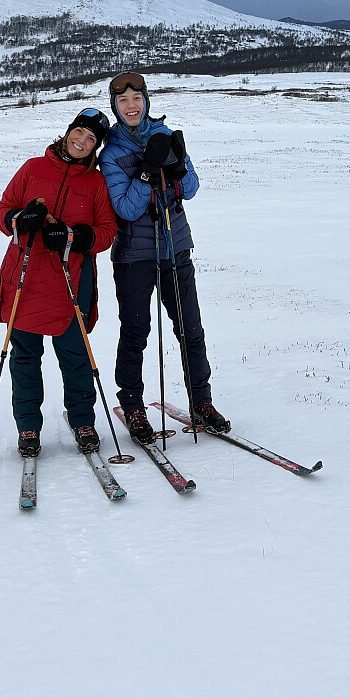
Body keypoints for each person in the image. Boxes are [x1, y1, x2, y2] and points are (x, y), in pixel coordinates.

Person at [99, 71, 230, 446]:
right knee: (136, 332)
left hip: (176, 248)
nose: (131, 106)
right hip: (134, 257)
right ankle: (133, 406)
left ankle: (202, 403)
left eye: (136, 98)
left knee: (191, 329)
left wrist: (178, 164)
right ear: (116, 107)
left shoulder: (164, 135)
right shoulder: (111, 154)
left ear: (146, 101)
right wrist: (145, 174)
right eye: (123, 101)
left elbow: (191, 189)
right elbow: (125, 209)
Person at [0, 108, 117, 458]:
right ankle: (28, 426)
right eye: (79, 132)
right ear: (68, 131)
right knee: (25, 354)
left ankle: (83, 421)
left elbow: (107, 231)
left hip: (71, 278)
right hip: (26, 275)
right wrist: (21, 218)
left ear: (96, 147)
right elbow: (4, 210)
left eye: (91, 139)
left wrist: (76, 236)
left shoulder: (96, 182)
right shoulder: (33, 168)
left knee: (75, 354)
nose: (82, 141)